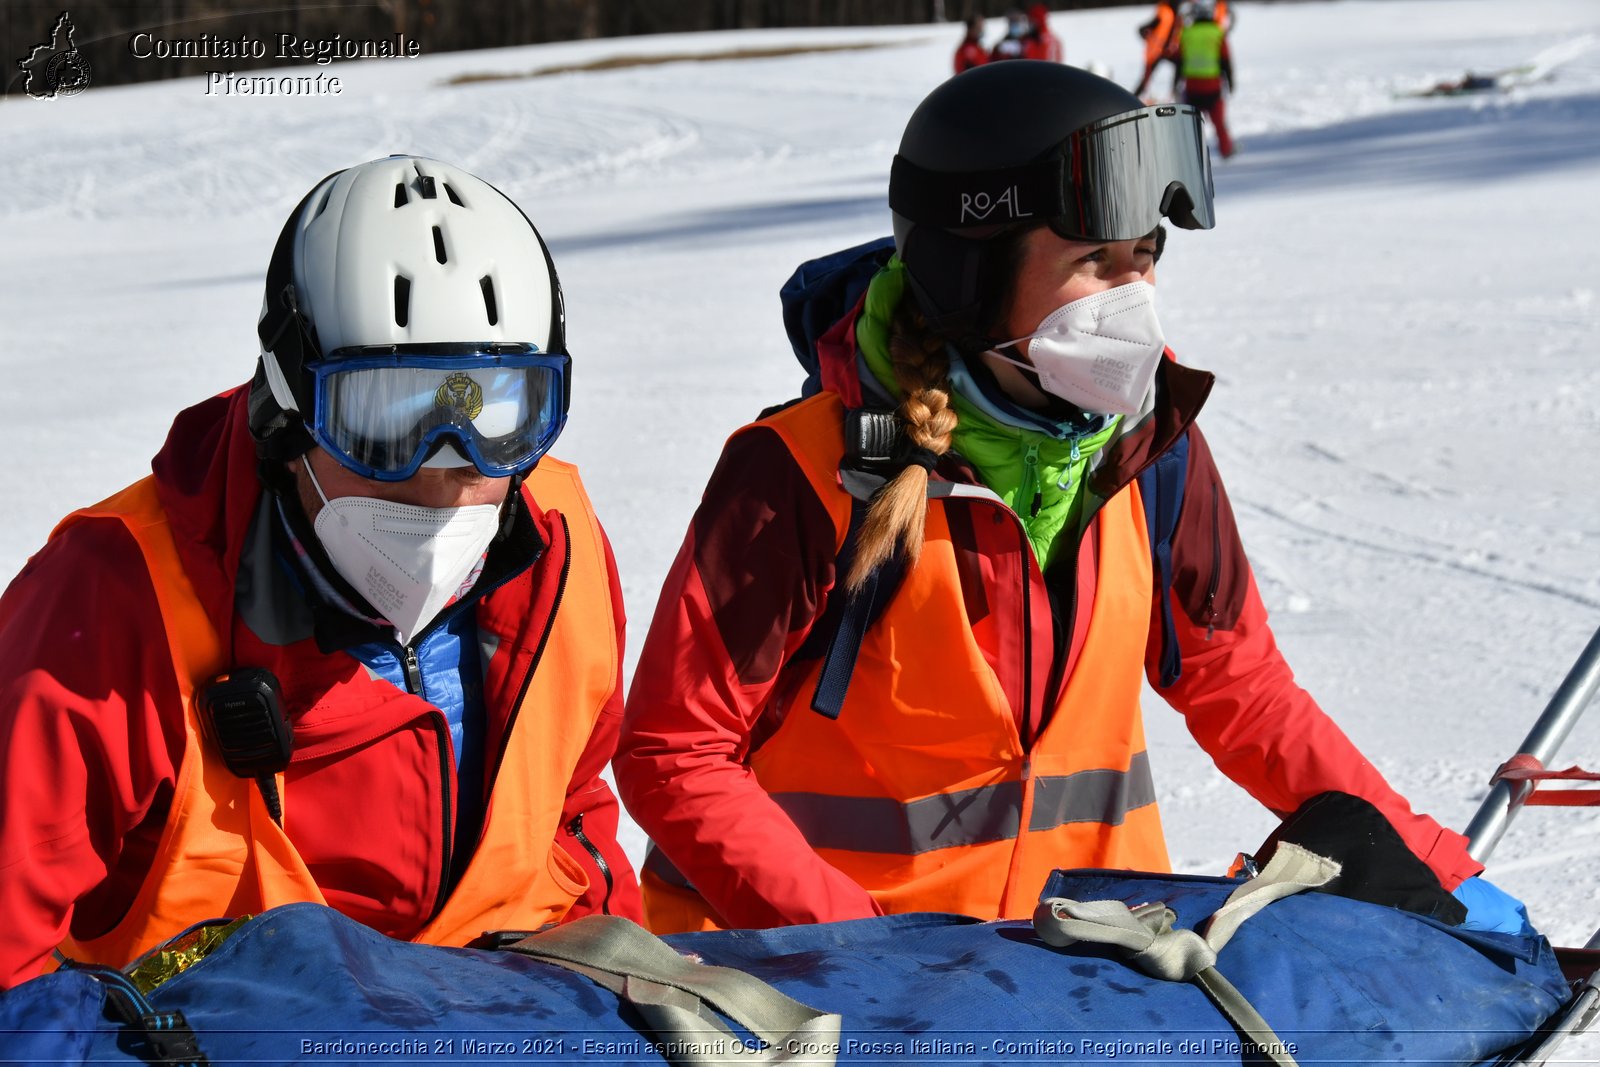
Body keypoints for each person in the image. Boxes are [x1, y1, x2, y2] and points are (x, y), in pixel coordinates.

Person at [615, 61, 1526, 936]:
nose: (1135, 298)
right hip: (823, 989)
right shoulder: (804, 471)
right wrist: (866, 951)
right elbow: (676, 754)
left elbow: (1240, 688)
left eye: (1146, 256)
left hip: (1077, 975)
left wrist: (1438, 865)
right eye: (1096, 261)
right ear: (968, 274)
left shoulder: (1150, 446)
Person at [0, 155, 640, 987]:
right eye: (383, 418)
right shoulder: (111, 600)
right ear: (286, 402)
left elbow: (575, 811)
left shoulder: (561, 545)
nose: (446, 473)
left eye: (495, 409)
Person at [1178, 1, 1235, 158]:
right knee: (1219, 123)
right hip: (1212, 86)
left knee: (1190, 124)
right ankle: (1226, 150)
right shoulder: (1217, 32)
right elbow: (1225, 61)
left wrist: (1175, 83)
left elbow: (1180, 61)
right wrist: (1230, 81)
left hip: (1192, 87)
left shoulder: (1186, 33)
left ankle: (1187, 154)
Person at [1134, 0, 1183, 99]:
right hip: (1156, 52)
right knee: (1146, 79)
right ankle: (1133, 98)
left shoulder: (1175, 15)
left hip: (1167, 51)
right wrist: (1147, 36)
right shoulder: (1165, 13)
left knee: (1180, 63)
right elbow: (1143, 28)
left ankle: (1174, 91)